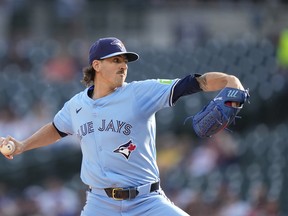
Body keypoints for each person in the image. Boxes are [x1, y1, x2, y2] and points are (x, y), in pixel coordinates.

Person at [0, 37, 245, 216]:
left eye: (125, 61)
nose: (123, 65)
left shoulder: (141, 92)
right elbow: (55, 129)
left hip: (147, 202)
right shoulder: (76, 105)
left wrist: (230, 80)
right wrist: (22, 145)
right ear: (96, 65)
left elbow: (196, 82)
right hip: (99, 203)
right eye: (116, 60)